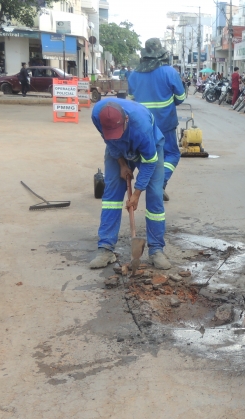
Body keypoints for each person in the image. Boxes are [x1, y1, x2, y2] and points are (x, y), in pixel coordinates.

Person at [89, 99, 171, 270]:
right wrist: (122, 164)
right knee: (111, 196)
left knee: (155, 194)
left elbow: (149, 163)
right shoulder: (97, 115)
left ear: (126, 120)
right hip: (116, 150)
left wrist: (136, 194)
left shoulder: (141, 126)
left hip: (149, 149)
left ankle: (156, 249)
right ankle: (105, 248)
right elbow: (109, 141)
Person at [129, 38, 186, 203]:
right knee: (172, 154)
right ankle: (160, 183)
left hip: (141, 125)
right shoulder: (169, 72)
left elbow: (132, 100)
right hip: (165, 123)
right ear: (160, 54)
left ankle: (151, 183)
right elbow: (180, 98)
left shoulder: (134, 75)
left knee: (146, 156)